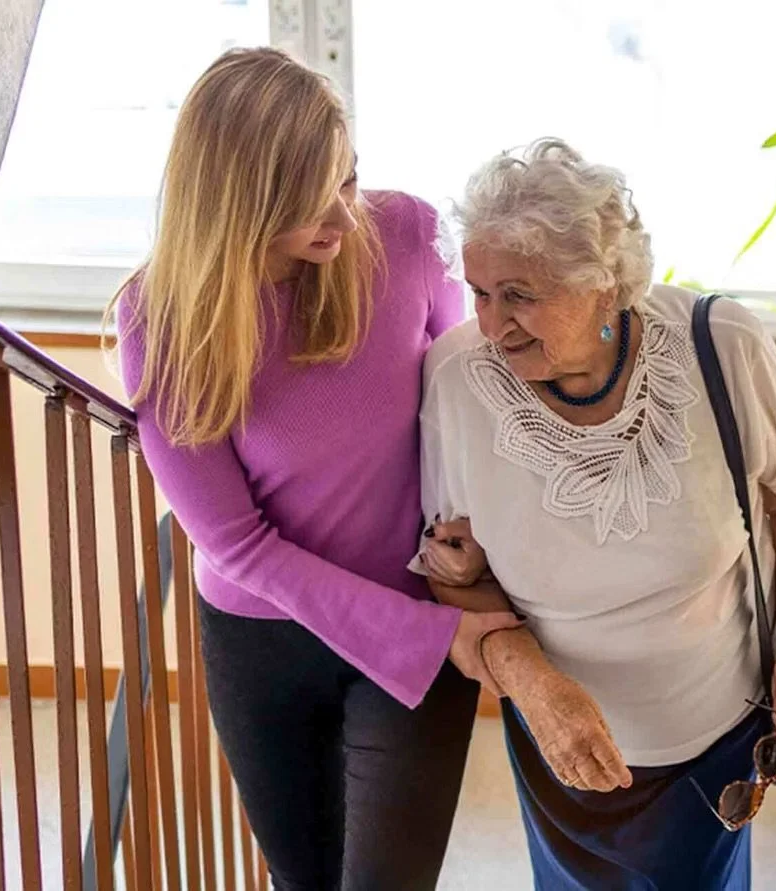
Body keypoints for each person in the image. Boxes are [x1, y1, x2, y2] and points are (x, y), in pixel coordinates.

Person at [109, 47, 522, 891]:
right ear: (239, 201)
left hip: (417, 605)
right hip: (264, 637)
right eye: (309, 201)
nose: (342, 215)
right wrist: (435, 635)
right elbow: (240, 546)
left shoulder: (402, 234)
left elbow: (471, 395)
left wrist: (472, 548)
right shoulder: (162, 318)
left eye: (346, 178)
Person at [412, 138, 776, 890]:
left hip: (715, 741)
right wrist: (535, 687)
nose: (493, 324)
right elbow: (456, 569)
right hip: (559, 747)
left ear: (604, 286)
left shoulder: (723, 346)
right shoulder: (454, 378)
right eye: (479, 293)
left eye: (520, 295)